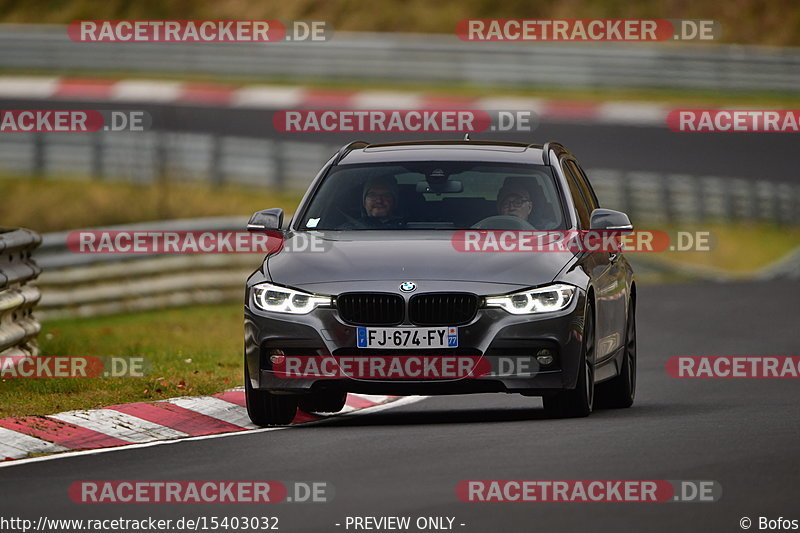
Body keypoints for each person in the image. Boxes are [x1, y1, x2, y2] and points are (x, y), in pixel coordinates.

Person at [339, 175, 405, 229]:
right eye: (372, 195)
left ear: (394, 201)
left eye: (386, 195)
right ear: (364, 201)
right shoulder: (346, 231)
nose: (379, 200)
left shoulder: (408, 228)